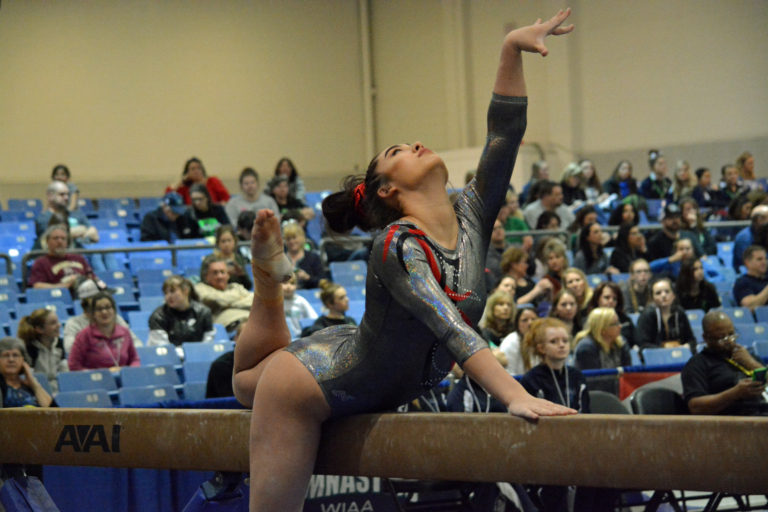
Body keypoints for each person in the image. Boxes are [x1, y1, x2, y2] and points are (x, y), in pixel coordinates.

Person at [230, 12, 577, 510]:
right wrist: (514, 394)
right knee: (249, 383)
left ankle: (269, 272)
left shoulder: (473, 216)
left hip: (353, 360)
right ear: (387, 190)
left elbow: (505, 133)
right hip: (306, 387)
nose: (415, 144)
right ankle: (268, 277)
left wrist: (510, 49)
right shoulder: (396, 245)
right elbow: (451, 326)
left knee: (247, 384)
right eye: (398, 151)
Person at [521, 317, 608, 512]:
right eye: (554, 341)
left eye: (565, 341)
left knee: (605, 475)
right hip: (546, 448)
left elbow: (586, 414)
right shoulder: (532, 379)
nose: (561, 345)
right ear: (541, 348)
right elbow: (532, 423)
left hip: (578, 445)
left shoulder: (577, 376)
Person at [682, 311, 767, 416]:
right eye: (721, 338)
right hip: (733, 419)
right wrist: (735, 393)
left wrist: (752, 364)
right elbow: (695, 407)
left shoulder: (747, 356)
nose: (729, 341)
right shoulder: (697, 364)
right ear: (706, 338)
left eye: (731, 334)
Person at [68, 292, 140, 371]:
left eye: (108, 307)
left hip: (124, 376)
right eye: (99, 309)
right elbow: (73, 365)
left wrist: (127, 371)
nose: (104, 312)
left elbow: (135, 359)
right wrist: (103, 373)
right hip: (95, 378)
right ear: (93, 313)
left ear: (114, 310)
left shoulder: (124, 332)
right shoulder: (84, 335)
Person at [148, 275, 215, 346]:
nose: (168, 296)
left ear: (186, 291)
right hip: (171, 352)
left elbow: (208, 344)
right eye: (165, 293)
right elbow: (162, 347)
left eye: (172, 291)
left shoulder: (203, 312)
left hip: (197, 352)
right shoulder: (158, 316)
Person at [28, 224, 97, 290]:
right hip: (60, 295)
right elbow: (37, 286)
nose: (60, 241)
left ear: (67, 242)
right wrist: (65, 285)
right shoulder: (40, 263)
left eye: (63, 238)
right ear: (47, 241)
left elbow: (94, 278)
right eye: (56, 238)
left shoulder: (79, 258)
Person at [636, 278, 695, 352]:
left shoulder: (679, 312)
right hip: (657, 356)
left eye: (667, 291)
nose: (663, 295)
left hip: (679, 353)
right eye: (658, 293)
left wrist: (687, 346)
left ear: (673, 295)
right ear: (652, 298)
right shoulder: (647, 315)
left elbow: (691, 340)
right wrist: (665, 350)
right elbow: (643, 344)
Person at [17, 308, 68, 393]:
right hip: (37, 391)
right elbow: (29, 378)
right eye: (53, 323)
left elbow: (64, 373)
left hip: (58, 390)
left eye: (57, 321)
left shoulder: (60, 343)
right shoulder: (29, 348)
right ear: (39, 329)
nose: (59, 325)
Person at [195, 258, 253, 331]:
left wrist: (227, 304)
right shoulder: (200, 288)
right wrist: (240, 298)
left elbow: (254, 301)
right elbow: (218, 301)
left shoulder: (236, 287)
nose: (220, 276)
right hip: (229, 327)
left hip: (251, 320)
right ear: (206, 276)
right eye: (215, 273)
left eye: (222, 272)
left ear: (228, 275)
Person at [0, 337, 54, 408]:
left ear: (23, 360)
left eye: (15, 355)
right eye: (6, 355)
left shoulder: (30, 385)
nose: (11, 360)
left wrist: (34, 384)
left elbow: (52, 411)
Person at [573, 307, 632, 371]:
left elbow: (628, 371)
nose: (620, 326)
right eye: (615, 324)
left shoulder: (621, 342)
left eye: (619, 322)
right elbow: (592, 375)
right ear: (602, 328)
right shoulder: (586, 347)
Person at [587, 281, 637, 348]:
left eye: (615, 299)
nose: (611, 301)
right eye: (607, 297)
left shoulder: (625, 320)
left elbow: (635, 342)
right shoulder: (589, 320)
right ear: (597, 299)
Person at [205, 225, 252, 289]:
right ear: (218, 243)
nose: (226, 244)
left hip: (236, 292)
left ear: (235, 241)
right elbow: (204, 282)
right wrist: (222, 274)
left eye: (229, 240)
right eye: (223, 241)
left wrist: (241, 275)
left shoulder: (238, 258)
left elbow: (248, 286)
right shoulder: (210, 260)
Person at [499, 307, 540, 376]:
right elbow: (508, 374)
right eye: (524, 320)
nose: (530, 323)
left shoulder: (542, 340)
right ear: (517, 324)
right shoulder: (511, 342)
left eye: (534, 319)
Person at [283, 221, 324, 290]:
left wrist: (307, 278)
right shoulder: (280, 259)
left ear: (302, 238)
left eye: (294, 238)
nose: (291, 241)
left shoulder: (313, 258)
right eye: (288, 239)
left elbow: (322, 282)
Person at [732, 205, 768, 271]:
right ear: (759, 219)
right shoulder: (744, 237)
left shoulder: (764, 233)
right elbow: (748, 261)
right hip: (749, 272)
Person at [733, 245, 768, 310]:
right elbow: (750, 306)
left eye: (765, 258)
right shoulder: (742, 283)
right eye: (759, 259)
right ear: (747, 262)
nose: (764, 262)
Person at [485, 219, 508, 291]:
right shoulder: (485, 253)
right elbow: (498, 269)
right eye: (494, 229)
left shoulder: (513, 248)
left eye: (500, 227)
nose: (498, 231)